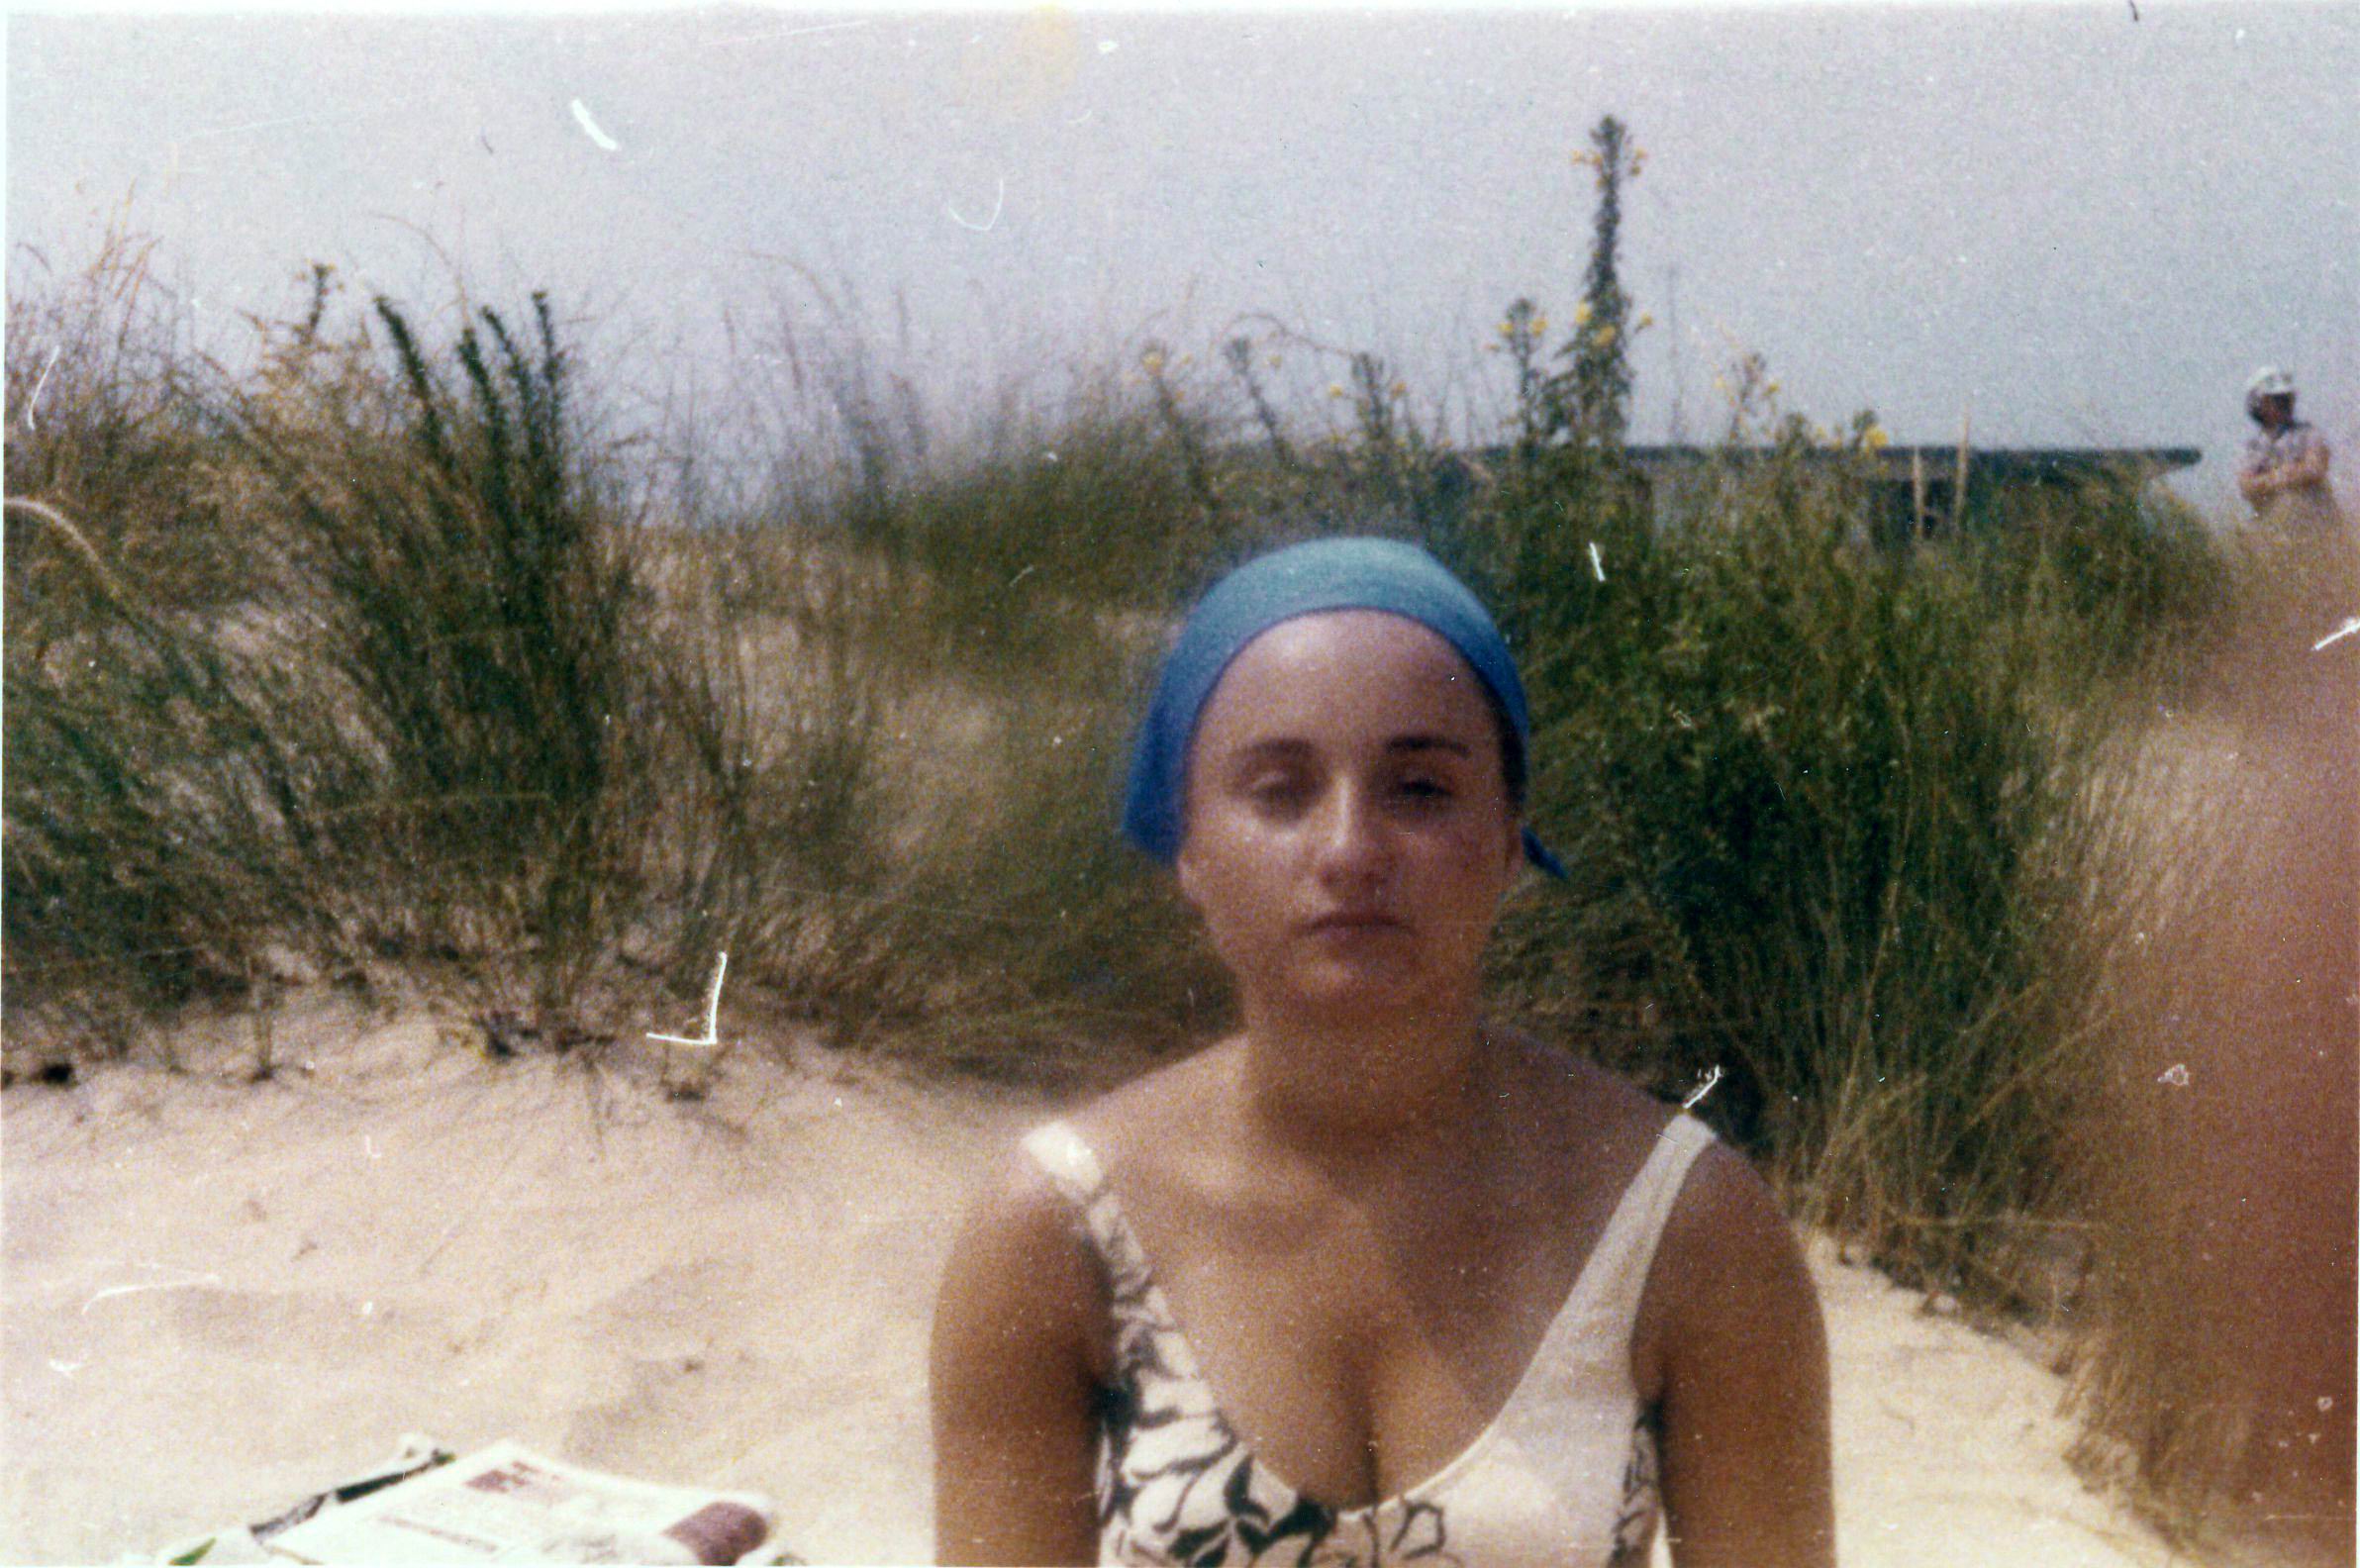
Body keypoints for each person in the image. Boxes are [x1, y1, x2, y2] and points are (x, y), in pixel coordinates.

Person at [931, 538, 1834, 1567]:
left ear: (1508, 838)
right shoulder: (1057, 1231)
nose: (1350, 850)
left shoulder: (1683, 1223)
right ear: (1189, 847)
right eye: (1280, 791)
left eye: (1419, 789)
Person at [2238, 367, 2342, 535]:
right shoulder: (2253, 446)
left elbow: (2314, 468)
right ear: (2258, 403)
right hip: (2273, 528)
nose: (2284, 405)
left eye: (2286, 399)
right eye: (2277, 400)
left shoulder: (2308, 433)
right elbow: (2246, 487)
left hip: (2315, 524)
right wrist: (2287, 474)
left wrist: (2269, 480)